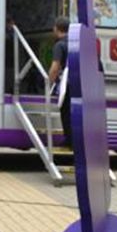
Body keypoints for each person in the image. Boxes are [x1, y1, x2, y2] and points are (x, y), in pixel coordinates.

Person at [48, 16, 71, 147]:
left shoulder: (59, 45)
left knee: (65, 110)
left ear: (57, 29)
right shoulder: (75, 42)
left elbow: (55, 67)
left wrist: (49, 82)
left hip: (65, 83)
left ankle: (69, 139)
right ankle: (72, 138)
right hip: (77, 81)